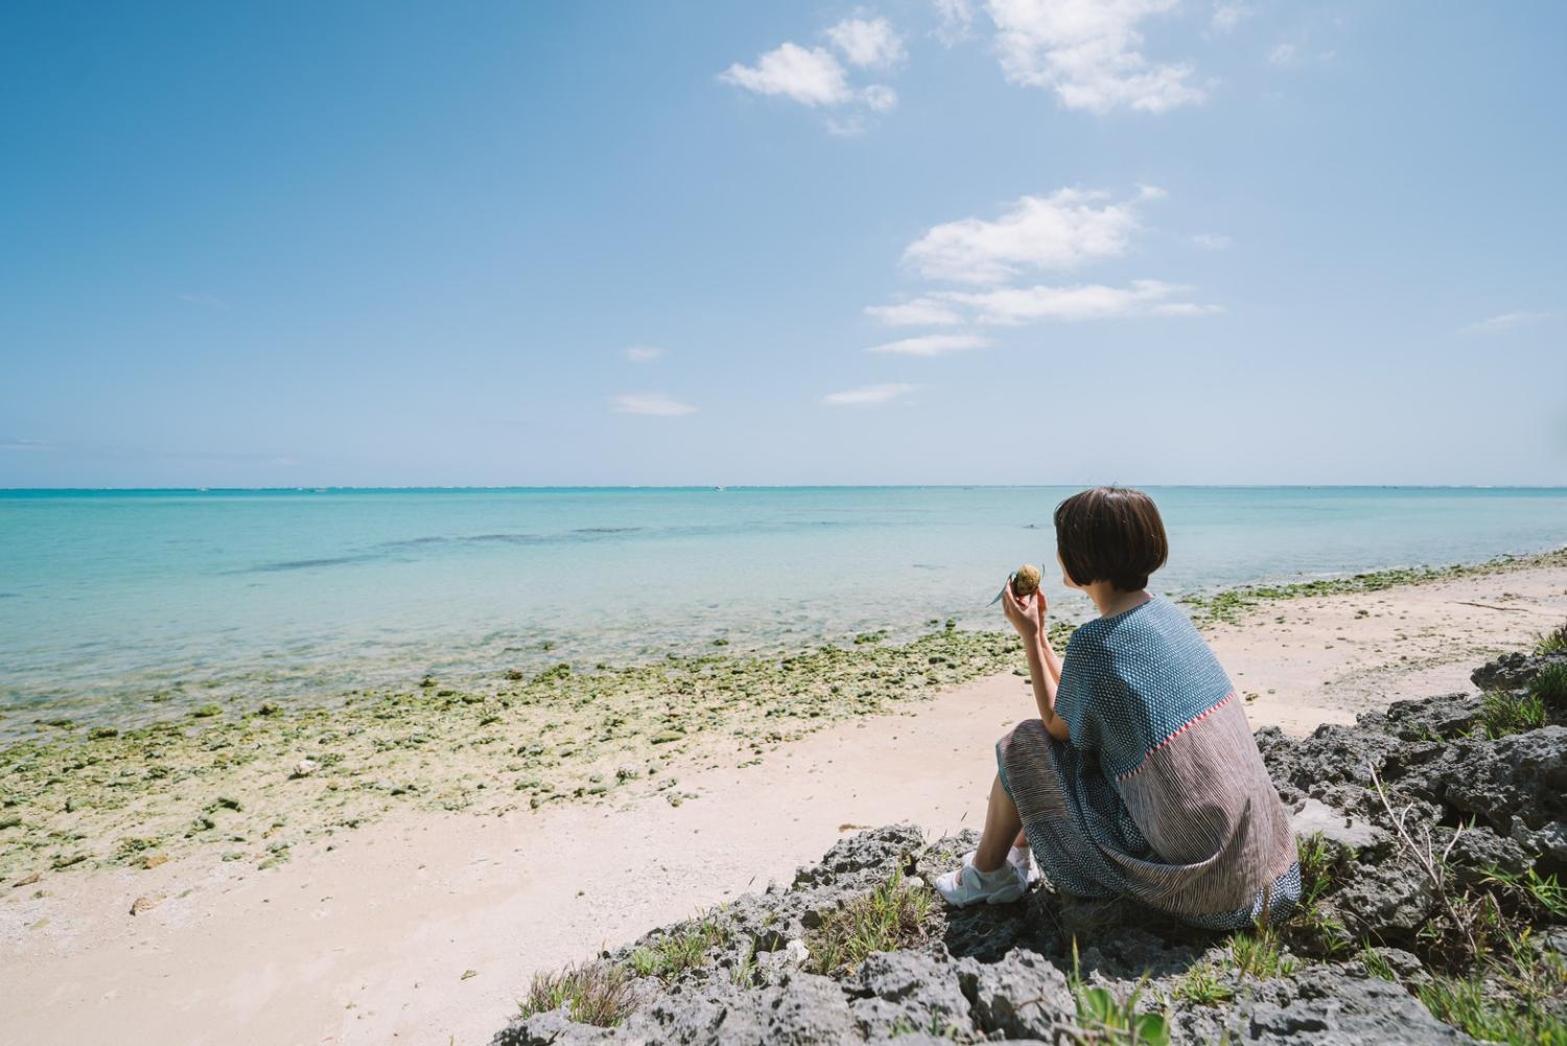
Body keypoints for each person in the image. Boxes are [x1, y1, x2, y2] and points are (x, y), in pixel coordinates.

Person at [934, 486, 1300, 929]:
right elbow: (1079, 694)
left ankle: (987, 875)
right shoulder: (1165, 617)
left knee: (1023, 745)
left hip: (1204, 890)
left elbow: (1055, 725)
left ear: (1084, 554)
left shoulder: (1096, 644)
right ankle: (1015, 854)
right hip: (1265, 874)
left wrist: (1030, 638)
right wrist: (1043, 631)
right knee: (1080, 754)